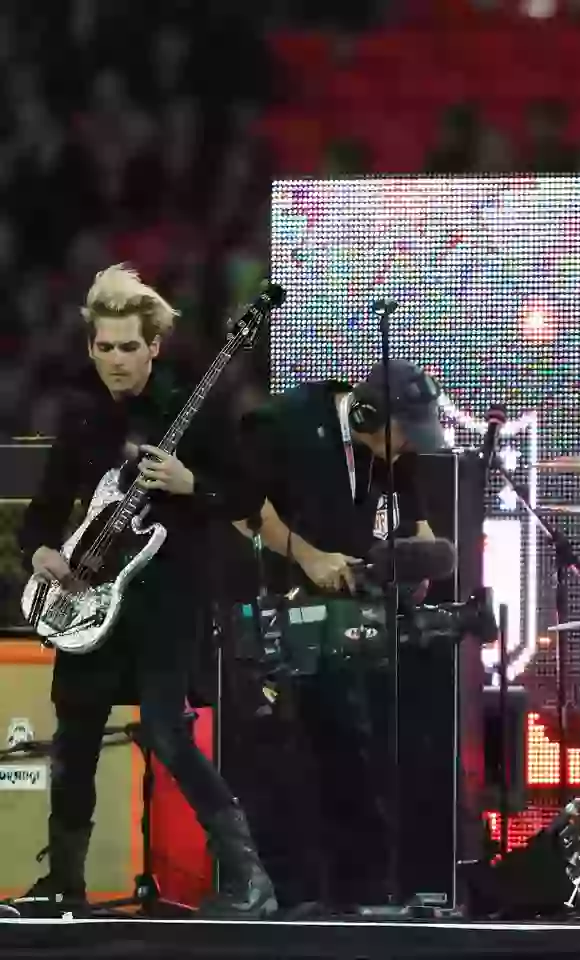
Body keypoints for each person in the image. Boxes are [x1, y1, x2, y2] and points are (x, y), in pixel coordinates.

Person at [18, 265, 275, 915]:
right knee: (73, 740)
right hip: (88, 599)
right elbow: (44, 512)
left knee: (168, 734)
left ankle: (249, 876)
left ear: (153, 345)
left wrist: (193, 485)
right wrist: (39, 551)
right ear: (91, 347)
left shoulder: (195, 411)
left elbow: (247, 497)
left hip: (167, 602)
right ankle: (63, 883)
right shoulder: (82, 418)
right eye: (104, 347)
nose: (115, 359)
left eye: (128, 346)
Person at [231, 358, 445, 908]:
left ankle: (362, 897)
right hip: (278, 601)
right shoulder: (286, 422)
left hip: (348, 615)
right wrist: (307, 556)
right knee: (290, 762)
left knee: (357, 757)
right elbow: (242, 505)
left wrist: (416, 562)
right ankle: (293, 895)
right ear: (368, 415)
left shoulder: (393, 450)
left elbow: (417, 523)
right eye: (404, 435)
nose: (408, 447)